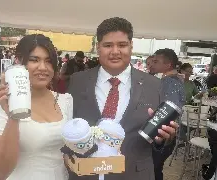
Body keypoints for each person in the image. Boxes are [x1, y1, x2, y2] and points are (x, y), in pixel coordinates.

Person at [67, 17, 178, 180]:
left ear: (131, 46)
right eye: (108, 45)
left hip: (134, 174)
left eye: (122, 45)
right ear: (98, 48)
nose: (115, 51)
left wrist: (164, 139)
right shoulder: (77, 81)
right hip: (85, 174)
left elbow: (162, 141)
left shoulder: (154, 85)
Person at [0, 34, 72, 180]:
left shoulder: (65, 100)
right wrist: (14, 114)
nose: (43, 67)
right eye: (34, 60)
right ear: (18, 61)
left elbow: (66, 152)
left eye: (48, 61)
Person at [150, 48, 186, 180]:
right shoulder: (174, 80)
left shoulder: (169, 82)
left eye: (156, 61)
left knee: (153, 170)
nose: (152, 64)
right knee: (155, 169)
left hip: (164, 135)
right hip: (167, 135)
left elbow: (168, 111)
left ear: (168, 64)